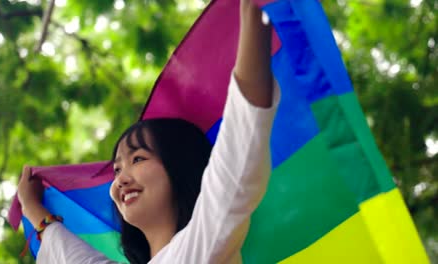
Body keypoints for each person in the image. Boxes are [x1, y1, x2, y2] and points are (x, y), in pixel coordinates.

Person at [17, 0, 280, 263]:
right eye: (117, 169)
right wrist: (32, 208)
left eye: (138, 159)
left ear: (180, 168)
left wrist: (253, 12)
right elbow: (72, 257)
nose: (120, 180)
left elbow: (239, 146)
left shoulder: (201, 244)